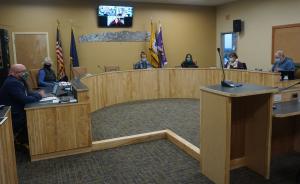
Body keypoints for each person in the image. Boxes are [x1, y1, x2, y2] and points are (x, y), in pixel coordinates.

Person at [0, 64, 45, 145]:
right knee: (37, 118)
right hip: (13, 114)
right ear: (13, 73)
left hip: (18, 109)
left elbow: (28, 93)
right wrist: (39, 96)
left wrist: (37, 94)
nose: (25, 73)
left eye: (25, 71)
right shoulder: (12, 83)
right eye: (22, 72)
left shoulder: (19, 80)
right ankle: (30, 142)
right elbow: (24, 99)